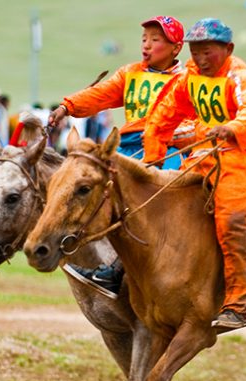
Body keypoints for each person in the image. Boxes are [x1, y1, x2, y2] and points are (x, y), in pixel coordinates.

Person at [142, 17, 246, 329]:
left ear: (228, 49)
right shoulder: (189, 77)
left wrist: (233, 126)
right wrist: (152, 157)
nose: (199, 58)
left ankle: (238, 305)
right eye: (195, 51)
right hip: (199, 156)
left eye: (207, 51)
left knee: (235, 221)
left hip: (234, 157)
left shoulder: (243, 77)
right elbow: (164, 114)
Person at [49, 15, 189, 298]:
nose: (146, 45)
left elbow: (195, 118)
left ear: (176, 48)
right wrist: (67, 107)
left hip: (167, 147)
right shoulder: (131, 73)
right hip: (126, 146)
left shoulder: (185, 80)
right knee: (87, 187)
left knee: (160, 197)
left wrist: (180, 135)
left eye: (156, 40)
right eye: (144, 39)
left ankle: (117, 270)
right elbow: (100, 94)